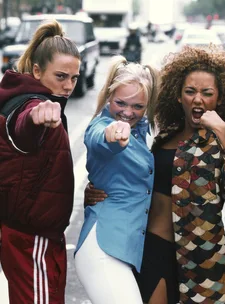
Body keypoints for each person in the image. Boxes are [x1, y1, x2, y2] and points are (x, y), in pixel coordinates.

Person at [85, 45, 225, 303]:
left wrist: (223, 129)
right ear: (179, 96)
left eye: (207, 93)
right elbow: (134, 178)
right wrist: (97, 190)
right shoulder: (164, 137)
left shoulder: (222, 140)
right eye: (190, 91)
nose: (198, 99)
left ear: (219, 98)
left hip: (203, 257)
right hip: (153, 247)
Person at [0, 19, 80, 303]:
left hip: (33, 237)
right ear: (36, 70)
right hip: (31, 239)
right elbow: (24, 127)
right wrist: (39, 116)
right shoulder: (32, 105)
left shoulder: (26, 96)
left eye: (74, 78)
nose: (68, 86)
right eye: (60, 76)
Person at [74, 55, 159, 303]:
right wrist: (114, 134)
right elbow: (102, 139)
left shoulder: (143, 130)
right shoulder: (101, 126)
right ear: (109, 97)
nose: (127, 113)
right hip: (104, 248)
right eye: (121, 102)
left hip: (126, 250)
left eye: (137, 107)